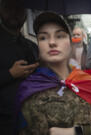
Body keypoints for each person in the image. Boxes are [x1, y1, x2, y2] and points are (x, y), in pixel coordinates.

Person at [16, 12, 91, 135]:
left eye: (60, 36)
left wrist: (77, 131)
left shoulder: (88, 82)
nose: (52, 42)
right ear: (38, 46)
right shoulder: (31, 89)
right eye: (43, 38)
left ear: (70, 44)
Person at [0, 0, 39, 135]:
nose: (13, 12)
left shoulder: (32, 46)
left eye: (18, 7)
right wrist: (10, 74)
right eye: (8, 7)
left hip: (32, 120)